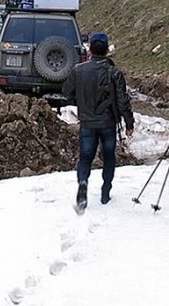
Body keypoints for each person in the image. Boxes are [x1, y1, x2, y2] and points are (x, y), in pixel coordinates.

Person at [63, 32, 135, 211]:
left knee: (85, 157)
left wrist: (80, 101)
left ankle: (82, 183)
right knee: (109, 156)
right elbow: (122, 100)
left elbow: (66, 92)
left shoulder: (78, 70)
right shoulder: (114, 72)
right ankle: (105, 192)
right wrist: (129, 122)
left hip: (87, 122)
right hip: (108, 123)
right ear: (107, 50)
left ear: (90, 49)